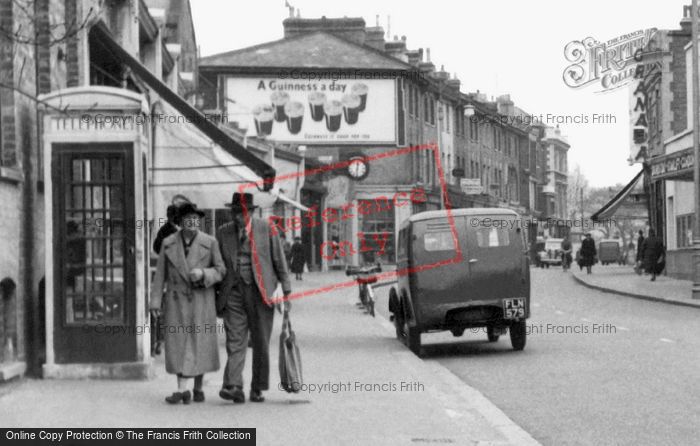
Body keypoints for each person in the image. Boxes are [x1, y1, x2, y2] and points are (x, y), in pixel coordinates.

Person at [216, 192, 291, 404]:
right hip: (233, 292)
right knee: (235, 341)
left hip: (261, 292)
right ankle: (234, 385)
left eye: (242, 213)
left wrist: (286, 292)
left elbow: (279, 261)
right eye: (234, 212)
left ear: (251, 212)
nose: (237, 217)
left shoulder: (267, 229)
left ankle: (257, 388)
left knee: (260, 342)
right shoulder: (223, 233)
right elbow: (219, 264)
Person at [150, 203, 226, 404]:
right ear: (180, 222)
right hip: (176, 301)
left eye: (196, 218)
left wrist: (203, 273)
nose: (193, 222)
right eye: (188, 219)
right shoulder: (168, 243)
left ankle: (198, 387)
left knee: (200, 343)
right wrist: (155, 302)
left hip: (201, 299)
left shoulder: (210, 242)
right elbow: (160, 277)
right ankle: (181, 389)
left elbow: (221, 270)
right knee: (178, 344)